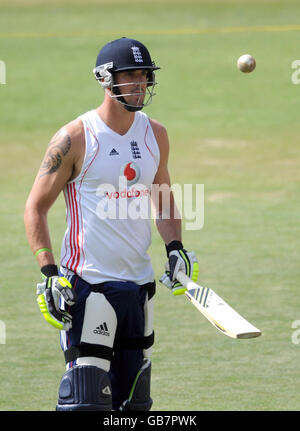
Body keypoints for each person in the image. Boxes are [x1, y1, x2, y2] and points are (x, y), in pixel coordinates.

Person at [24, 37, 199, 411]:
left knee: (134, 404)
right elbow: (35, 208)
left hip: (139, 288)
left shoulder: (156, 134)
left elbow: (164, 198)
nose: (140, 83)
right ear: (106, 79)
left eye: (145, 75)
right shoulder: (74, 138)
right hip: (87, 286)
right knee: (86, 402)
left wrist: (176, 248)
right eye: (130, 75)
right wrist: (49, 272)